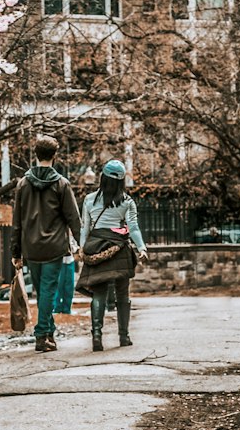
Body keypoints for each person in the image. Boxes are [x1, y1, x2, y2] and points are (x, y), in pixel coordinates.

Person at [11, 135, 81, 353]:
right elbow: (73, 218)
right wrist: (83, 244)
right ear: (55, 155)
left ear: (36, 154)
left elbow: (17, 221)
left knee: (43, 292)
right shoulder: (62, 184)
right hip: (54, 247)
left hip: (31, 247)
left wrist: (16, 252)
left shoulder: (23, 184)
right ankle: (42, 335)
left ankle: (49, 331)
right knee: (48, 292)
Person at [78, 160, 147, 352]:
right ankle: (124, 337)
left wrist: (82, 250)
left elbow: (85, 227)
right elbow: (133, 228)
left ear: (103, 178)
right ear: (121, 181)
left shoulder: (89, 199)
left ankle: (97, 336)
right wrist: (142, 248)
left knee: (99, 293)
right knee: (122, 294)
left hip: (97, 247)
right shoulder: (127, 202)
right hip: (119, 248)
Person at [53, 252, 75, 316]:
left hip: (70, 259)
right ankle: (56, 307)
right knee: (58, 285)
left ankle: (67, 308)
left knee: (69, 286)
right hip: (58, 259)